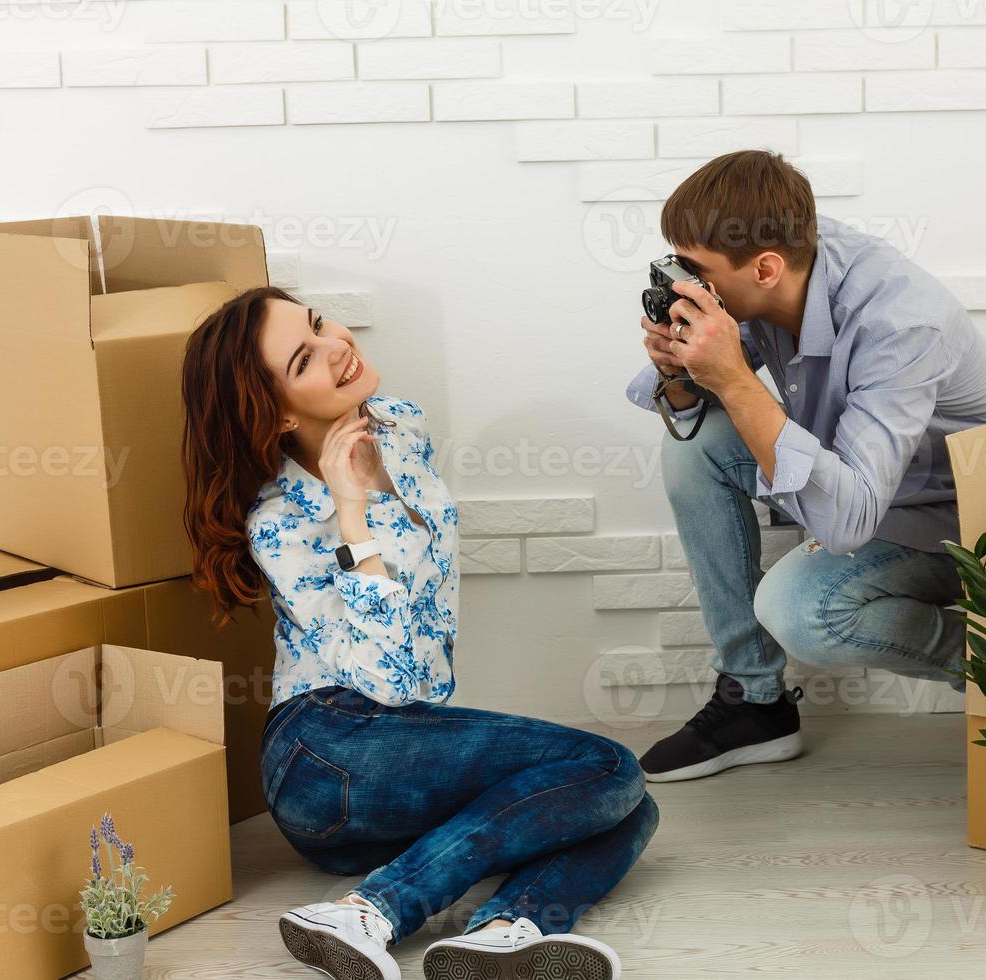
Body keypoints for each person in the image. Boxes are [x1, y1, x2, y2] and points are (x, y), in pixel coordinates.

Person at [181, 287, 657, 980]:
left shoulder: (399, 425)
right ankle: (374, 909)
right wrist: (353, 514)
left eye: (318, 323)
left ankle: (505, 933)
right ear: (279, 410)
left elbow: (421, 679)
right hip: (322, 755)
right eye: (305, 357)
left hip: (396, 766)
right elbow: (389, 682)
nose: (337, 344)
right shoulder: (280, 523)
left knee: (629, 810)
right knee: (610, 767)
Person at [627, 150, 986, 784]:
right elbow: (693, 416)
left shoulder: (900, 323)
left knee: (799, 610)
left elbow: (848, 522)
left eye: (695, 273)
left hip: (964, 520)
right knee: (695, 447)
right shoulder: (783, 259)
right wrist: (678, 374)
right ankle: (754, 703)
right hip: (866, 483)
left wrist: (731, 376)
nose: (683, 286)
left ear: (764, 268)